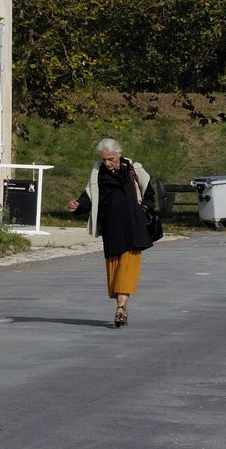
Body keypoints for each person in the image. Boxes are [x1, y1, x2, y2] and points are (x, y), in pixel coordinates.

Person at [67, 137, 152, 327]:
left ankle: (121, 309)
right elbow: (88, 198)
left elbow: (149, 193)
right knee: (115, 272)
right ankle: (122, 307)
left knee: (127, 269)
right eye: (104, 159)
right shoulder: (97, 174)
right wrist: (78, 205)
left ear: (118, 155)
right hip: (111, 228)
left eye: (111, 159)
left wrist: (143, 209)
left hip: (133, 226)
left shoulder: (133, 169)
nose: (107, 163)